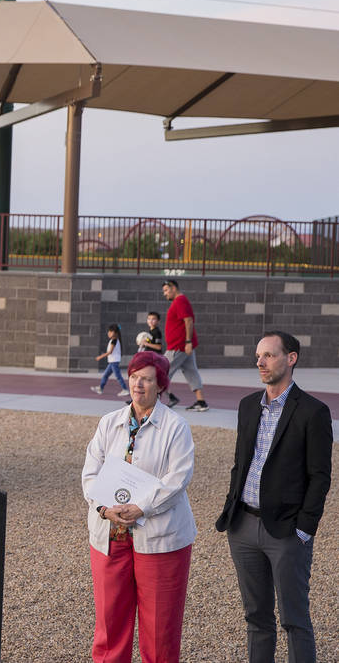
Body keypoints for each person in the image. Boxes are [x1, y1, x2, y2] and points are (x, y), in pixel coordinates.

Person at [215, 331, 332, 663]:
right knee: (256, 619)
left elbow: (320, 476)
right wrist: (231, 509)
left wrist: (304, 529)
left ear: (291, 358)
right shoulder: (247, 406)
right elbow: (242, 462)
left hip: (286, 533)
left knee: (294, 620)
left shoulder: (313, 412)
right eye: (258, 356)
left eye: (269, 355)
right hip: (243, 527)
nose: (260, 362)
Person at [82, 351, 196, 663]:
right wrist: (105, 509)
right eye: (133, 377)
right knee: (109, 624)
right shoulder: (109, 423)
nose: (138, 384)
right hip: (111, 534)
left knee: (160, 629)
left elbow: (178, 478)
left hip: (161, 538)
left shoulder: (176, 427)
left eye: (146, 378)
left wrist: (142, 507)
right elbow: (90, 473)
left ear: (161, 385)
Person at [161, 280, 208, 411]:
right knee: (191, 372)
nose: (165, 294)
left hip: (179, 346)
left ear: (173, 288)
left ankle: (152, 402)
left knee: (161, 371)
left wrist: (187, 342)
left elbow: (188, 320)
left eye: (166, 290)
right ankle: (201, 402)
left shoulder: (180, 301)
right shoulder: (180, 301)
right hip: (183, 346)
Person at [91, 324, 129, 397]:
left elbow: (110, 352)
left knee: (118, 376)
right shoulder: (114, 340)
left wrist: (100, 357)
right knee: (105, 375)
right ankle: (100, 388)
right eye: (109, 331)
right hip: (112, 362)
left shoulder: (114, 341)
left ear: (115, 333)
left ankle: (125, 389)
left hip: (114, 362)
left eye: (111, 331)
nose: (109, 333)